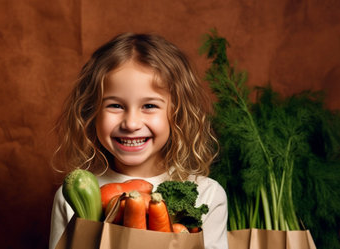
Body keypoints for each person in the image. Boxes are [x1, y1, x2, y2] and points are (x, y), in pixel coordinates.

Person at [48, 33, 228, 249]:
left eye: (149, 106)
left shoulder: (207, 195)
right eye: (115, 105)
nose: (131, 123)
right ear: (91, 112)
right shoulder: (75, 194)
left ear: (177, 114)